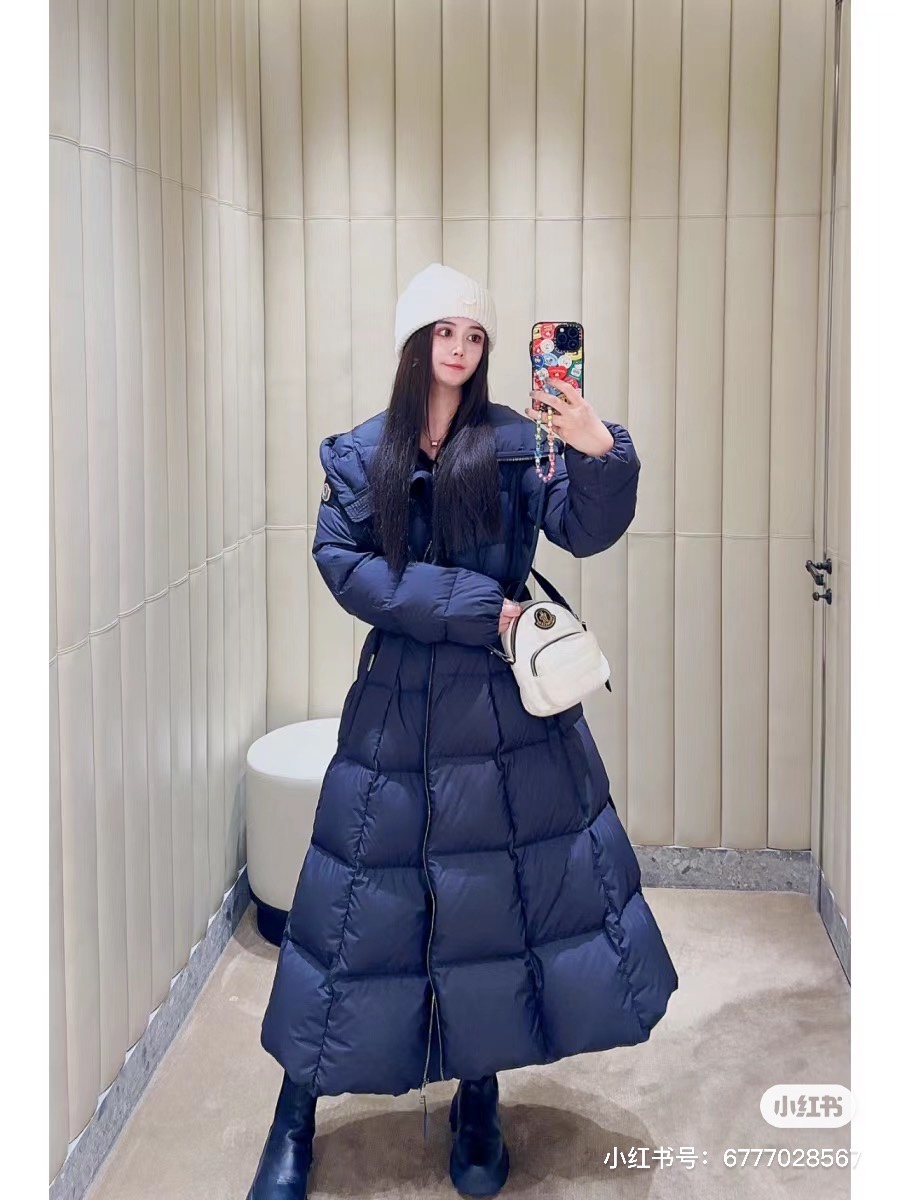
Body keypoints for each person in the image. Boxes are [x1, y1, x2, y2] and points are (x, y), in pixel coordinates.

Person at [245, 263, 679, 1199]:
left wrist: (599, 449)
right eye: (444, 331)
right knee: (350, 915)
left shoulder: (520, 443)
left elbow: (584, 529)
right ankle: (294, 1115)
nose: (460, 348)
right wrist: (484, 607)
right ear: (415, 342)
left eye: (474, 335)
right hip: (397, 710)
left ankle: (479, 1096)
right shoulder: (364, 451)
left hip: (501, 718)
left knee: (491, 913)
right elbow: (342, 561)